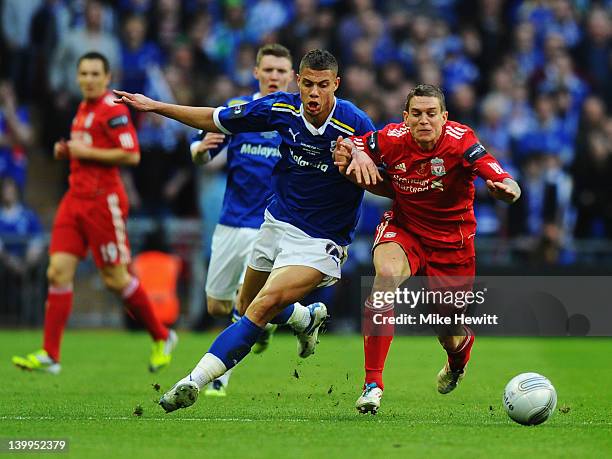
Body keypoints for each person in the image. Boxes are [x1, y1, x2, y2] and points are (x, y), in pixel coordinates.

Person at [114, 49, 385, 412]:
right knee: (238, 304)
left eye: (323, 85)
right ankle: (307, 317)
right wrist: (156, 106)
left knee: (261, 306)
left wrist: (364, 160)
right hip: (274, 225)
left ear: (336, 84)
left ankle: (193, 381)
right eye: (308, 85)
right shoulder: (280, 109)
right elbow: (215, 118)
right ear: (298, 83)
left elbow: (386, 174)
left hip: (322, 241)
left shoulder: (356, 123)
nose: (315, 93)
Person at [333, 84, 521, 414]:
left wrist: (509, 190)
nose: (424, 120)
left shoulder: (461, 141)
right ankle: (372, 385)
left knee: (447, 330)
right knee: (385, 279)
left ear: (444, 117)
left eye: (431, 114)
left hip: (452, 245)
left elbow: (498, 173)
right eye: (416, 114)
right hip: (406, 230)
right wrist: (357, 152)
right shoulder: (392, 138)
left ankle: (458, 357)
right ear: (405, 117)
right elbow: (357, 143)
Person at [12, 52, 177, 375]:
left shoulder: (112, 110)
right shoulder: (82, 109)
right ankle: (50, 354)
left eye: (94, 74)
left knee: (116, 279)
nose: (88, 79)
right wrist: (67, 151)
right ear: (77, 77)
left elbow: (131, 155)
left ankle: (162, 335)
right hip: (74, 200)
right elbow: (84, 151)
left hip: (104, 203)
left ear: (107, 77)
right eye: (83, 73)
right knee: (56, 272)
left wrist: (84, 151)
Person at [190, 43, 295, 396]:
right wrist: (198, 152)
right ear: (256, 73)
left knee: (244, 303)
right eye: (268, 70)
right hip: (231, 220)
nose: (274, 76)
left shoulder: (297, 119)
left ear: (292, 76)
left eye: (281, 71)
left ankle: (220, 376)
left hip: (272, 224)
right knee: (216, 304)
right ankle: (296, 317)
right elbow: (204, 153)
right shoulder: (239, 111)